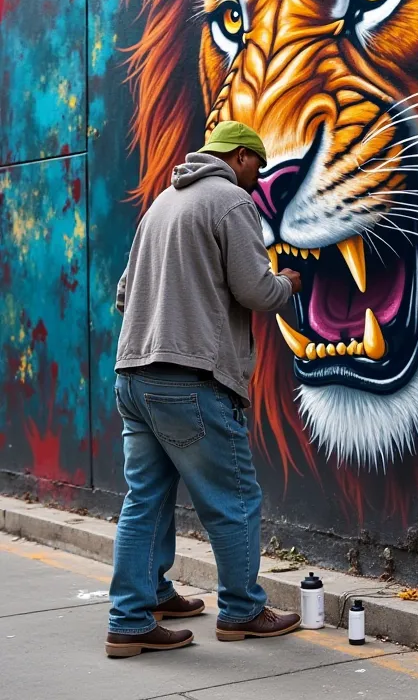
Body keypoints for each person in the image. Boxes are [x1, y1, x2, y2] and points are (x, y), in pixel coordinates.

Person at [106, 121, 302, 658]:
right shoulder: (231, 204)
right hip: (191, 381)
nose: (257, 182)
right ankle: (242, 610)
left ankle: (134, 614)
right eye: (256, 169)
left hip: (133, 376)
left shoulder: (159, 206)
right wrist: (286, 284)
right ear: (239, 157)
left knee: (144, 498)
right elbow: (256, 291)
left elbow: (123, 295)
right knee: (234, 500)